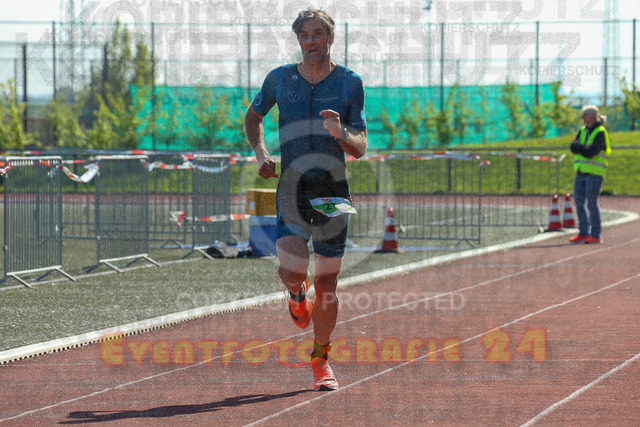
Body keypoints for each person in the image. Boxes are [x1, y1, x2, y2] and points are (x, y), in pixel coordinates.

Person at [244, 8, 367, 391]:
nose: (311, 41)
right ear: (299, 40)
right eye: (304, 36)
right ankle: (296, 293)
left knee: (328, 283)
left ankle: (320, 360)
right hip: (292, 188)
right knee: (294, 269)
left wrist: (341, 133)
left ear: (331, 37)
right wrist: (262, 154)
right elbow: (253, 118)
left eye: (318, 34)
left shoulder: (350, 83)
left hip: (333, 193)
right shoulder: (280, 79)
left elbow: (361, 146)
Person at [569, 105, 612, 244]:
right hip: (581, 171)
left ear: (592, 116)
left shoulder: (600, 132)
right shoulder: (582, 130)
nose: (582, 117)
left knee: (592, 203)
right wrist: (584, 147)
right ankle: (583, 232)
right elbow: (573, 147)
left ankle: (596, 234)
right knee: (579, 202)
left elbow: (591, 152)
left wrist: (581, 147)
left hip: (595, 173)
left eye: (585, 114)